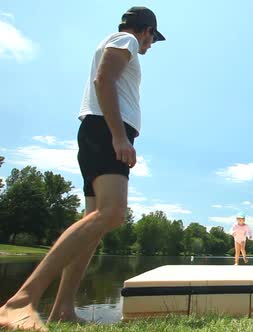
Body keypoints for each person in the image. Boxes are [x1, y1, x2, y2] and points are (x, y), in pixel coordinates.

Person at [0, 7, 165, 331]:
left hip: (101, 130)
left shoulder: (120, 41)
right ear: (145, 30)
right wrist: (119, 136)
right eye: (152, 38)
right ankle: (20, 301)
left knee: (94, 226)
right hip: (106, 130)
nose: (150, 45)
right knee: (113, 212)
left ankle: (62, 308)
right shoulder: (126, 40)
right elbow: (103, 80)